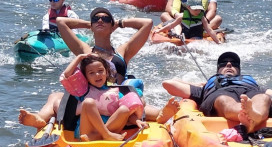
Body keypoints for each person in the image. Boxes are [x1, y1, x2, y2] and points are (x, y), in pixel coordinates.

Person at [19, 7, 181, 129]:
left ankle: (160, 115)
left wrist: (119, 23)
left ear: (112, 26)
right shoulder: (85, 51)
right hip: (90, 101)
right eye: (96, 19)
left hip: (116, 100)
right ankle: (39, 119)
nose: (100, 21)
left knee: (138, 100)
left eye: (105, 19)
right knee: (55, 95)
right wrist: (90, 24)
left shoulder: (123, 51)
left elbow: (147, 23)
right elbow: (62, 22)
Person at [163, 52, 272, 133]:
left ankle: (253, 115)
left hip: (250, 93)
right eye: (224, 63)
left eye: (234, 64)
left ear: (239, 70)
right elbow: (169, 84)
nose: (229, 65)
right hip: (220, 94)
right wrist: (196, 85)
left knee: (264, 98)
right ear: (218, 69)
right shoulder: (207, 87)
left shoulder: (253, 84)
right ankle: (246, 113)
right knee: (223, 100)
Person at [59, 53, 146, 140]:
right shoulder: (84, 91)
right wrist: (79, 57)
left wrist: (137, 121)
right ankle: (105, 134)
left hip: (111, 129)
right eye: (91, 73)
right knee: (88, 102)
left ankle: (99, 136)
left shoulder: (115, 92)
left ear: (107, 72)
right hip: (88, 131)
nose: (97, 75)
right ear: (86, 77)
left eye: (100, 71)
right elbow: (67, 74)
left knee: (124, 109)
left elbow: (128, 115)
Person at [153, 0, 221, 44]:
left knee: (193, 40)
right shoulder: (182, 16)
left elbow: (209, 30)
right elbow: (171, 25)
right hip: (185, 37)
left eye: (199, 9)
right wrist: (159, 30)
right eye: (195, 9)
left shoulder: (202, 18)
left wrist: (218, 41)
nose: (197, 11)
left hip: (196, 38)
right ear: (188, 7)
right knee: (179, 38)